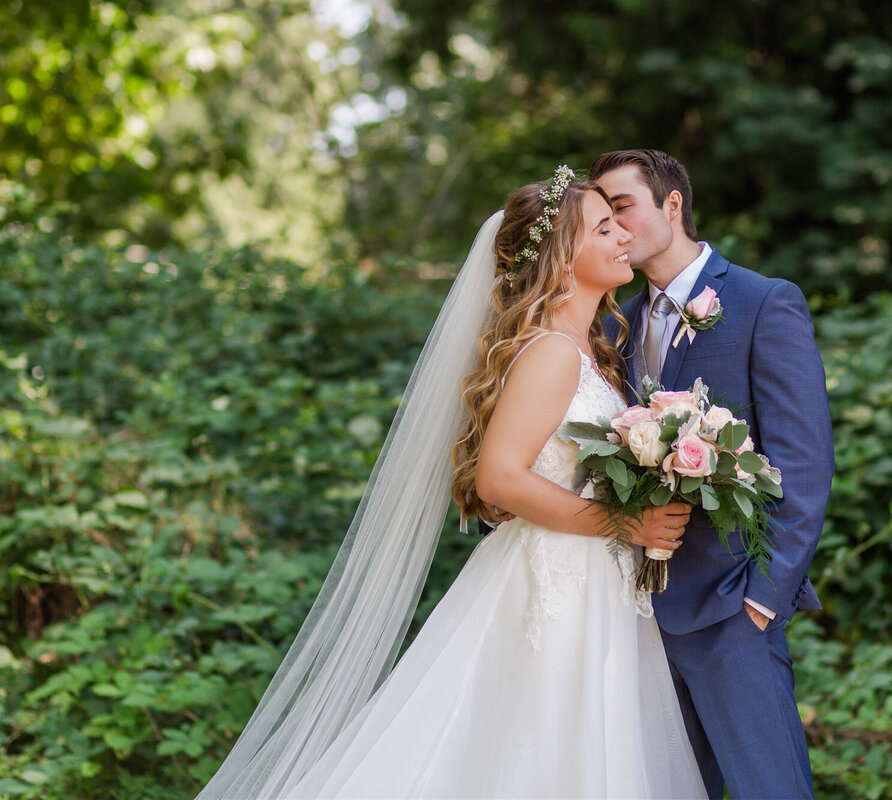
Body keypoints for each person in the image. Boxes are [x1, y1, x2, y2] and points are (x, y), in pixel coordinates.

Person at [195, 169, 707, 798]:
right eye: (604, 228)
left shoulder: (586, 345)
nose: (624, 235)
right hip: (556, 579)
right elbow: (498, 477)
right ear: (560, 258)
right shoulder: (551, 350)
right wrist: (623, 523)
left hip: (591, 576)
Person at [593, 149, 835, 800]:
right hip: (639, 618)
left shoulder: (762, 302)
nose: (614, 229)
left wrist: (761, 602)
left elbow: (804, 468)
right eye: (603, 218)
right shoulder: (618, 325)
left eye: (623, 208)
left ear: (673, 205)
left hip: (733, 608)